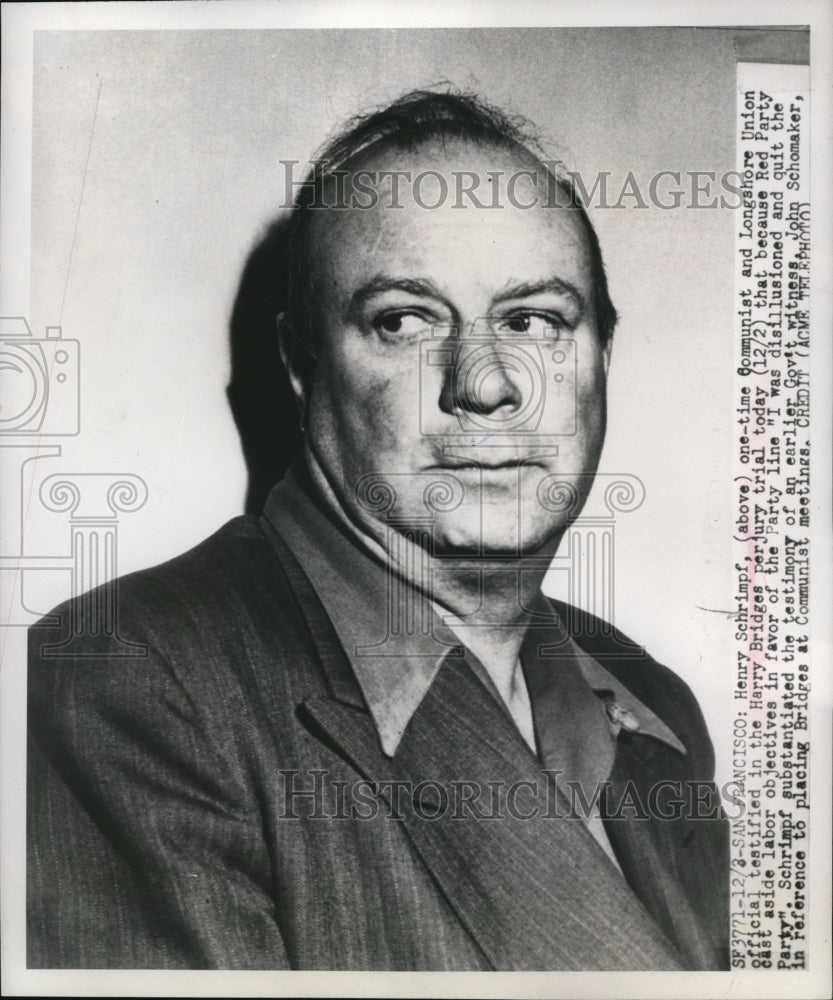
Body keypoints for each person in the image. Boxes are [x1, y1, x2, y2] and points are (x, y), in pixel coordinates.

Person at [27, 89, 729, 971]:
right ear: (300, 363)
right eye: (404, 320)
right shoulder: (127, 682)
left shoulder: (652, 706)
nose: (484, 383)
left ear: (601, 359)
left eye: (535, 320)